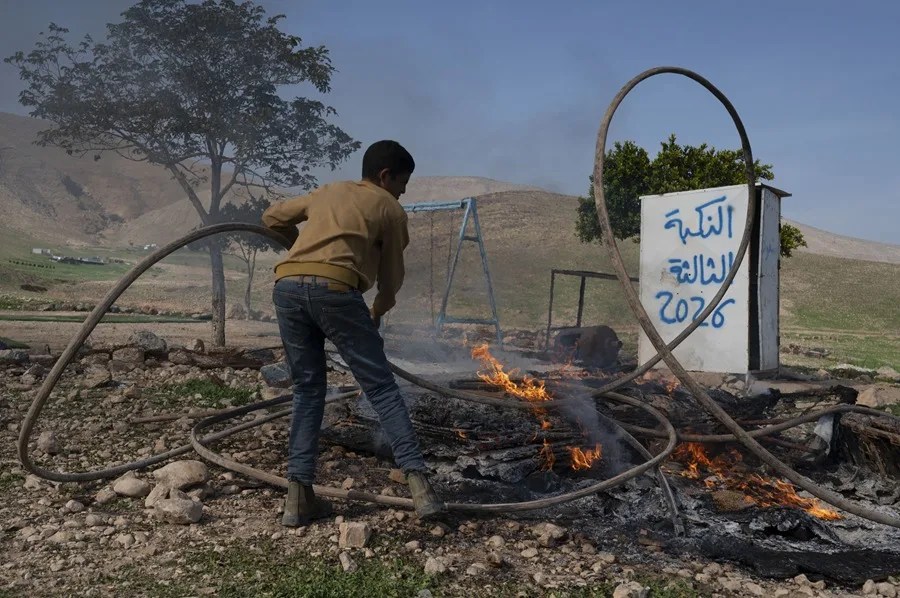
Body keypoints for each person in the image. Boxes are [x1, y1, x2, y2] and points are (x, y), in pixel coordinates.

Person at [261, 140, 444, 526]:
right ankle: (422, 491)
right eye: (403, 182)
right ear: (385, 176)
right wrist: (377, 310)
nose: (404, 192)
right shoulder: (389, 208)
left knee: (308, 390)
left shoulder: (328, 190)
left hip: (287, 288)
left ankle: (297, 501)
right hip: (338, 293)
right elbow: (392, 277)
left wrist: (307, 253)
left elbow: (272, 217)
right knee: (381, 388)